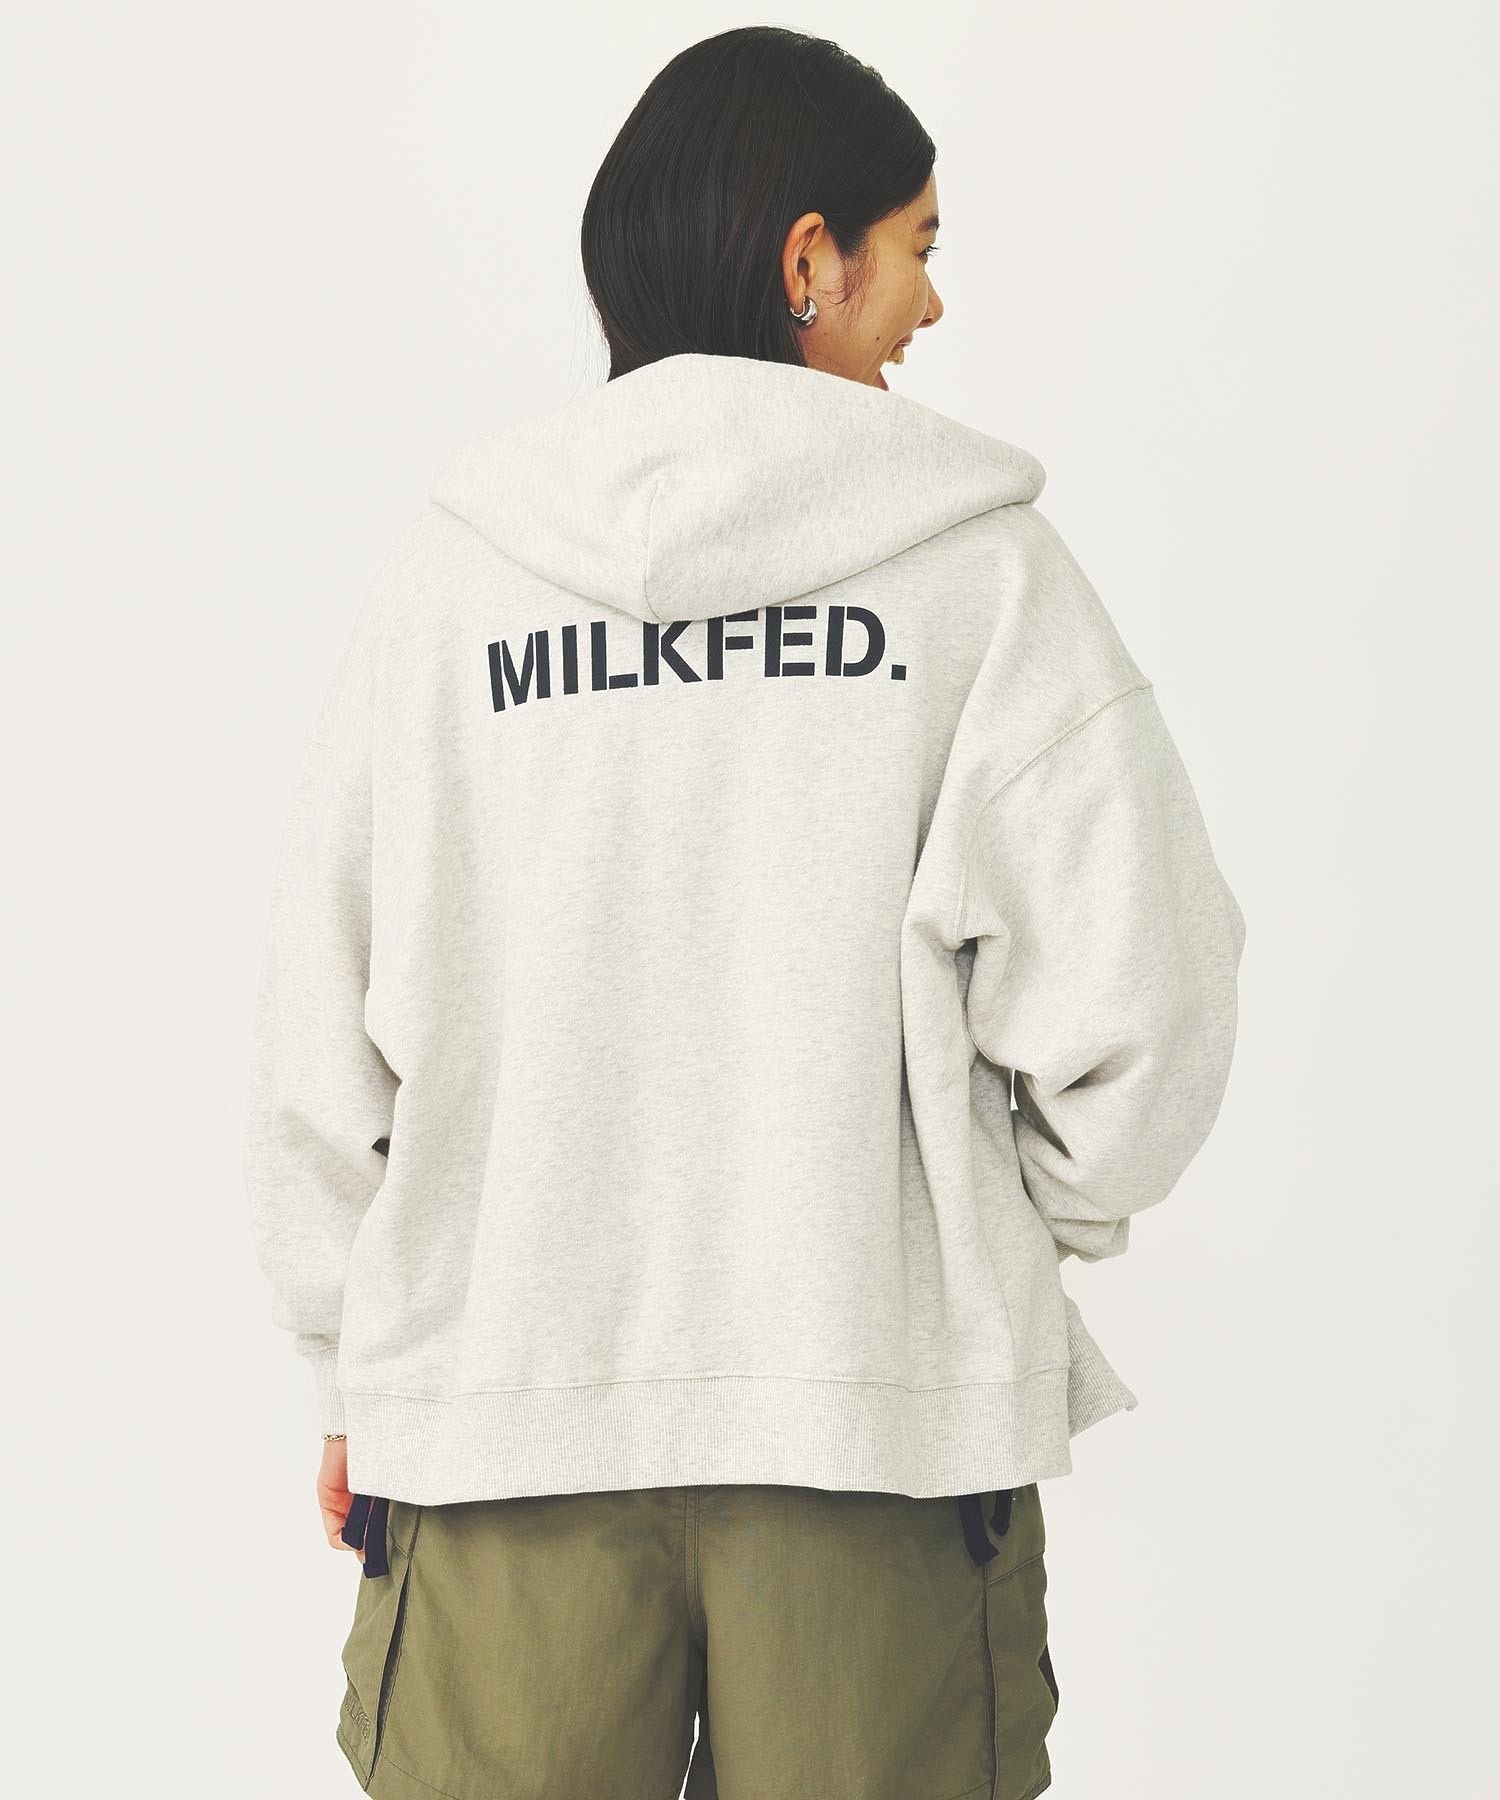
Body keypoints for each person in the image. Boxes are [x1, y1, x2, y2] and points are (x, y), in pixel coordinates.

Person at [242, 25, 1245, 1800]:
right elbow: (1147, 995)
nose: (931, 304)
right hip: (878, 1438)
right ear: (809, 260)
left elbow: (322, 1029)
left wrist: (353, 1360)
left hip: (503, 1430)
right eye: (916, 248)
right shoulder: (979, 577)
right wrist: (979, 1238)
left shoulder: (455, 585)